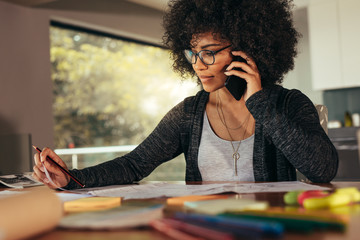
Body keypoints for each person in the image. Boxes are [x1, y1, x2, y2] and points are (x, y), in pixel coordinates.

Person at [32, 0, 338, 189]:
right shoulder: (189, 114)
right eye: (193, 54)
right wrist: (71, 179)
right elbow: (134, 164)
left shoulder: (289, 103)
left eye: (209, 53)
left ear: (248, 48)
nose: (197, 66)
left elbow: (323, 169)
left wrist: (259, 103)